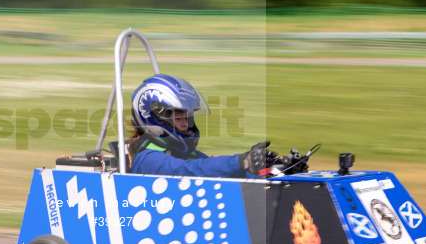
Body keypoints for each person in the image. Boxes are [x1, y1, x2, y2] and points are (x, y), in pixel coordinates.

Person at [126, 74, 301, 178]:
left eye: (187, 117)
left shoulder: (182, 153)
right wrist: (242, 161)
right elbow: (189, 172)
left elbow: (217, 171)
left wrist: (274, 171)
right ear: (155, 118)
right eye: (178, 118)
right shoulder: (148, 159)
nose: (185, 125)